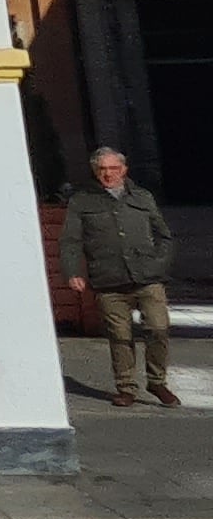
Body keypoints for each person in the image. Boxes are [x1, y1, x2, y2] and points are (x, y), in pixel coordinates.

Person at [63, 146, 179, 407]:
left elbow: (164, 235)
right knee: (120, 336)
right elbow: (71, 241)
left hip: (148, 278)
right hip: (109, 280)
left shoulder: (142, 197)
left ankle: (157, 381)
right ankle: (126, 387)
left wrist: (158, 263)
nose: (108, 174)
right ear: (95, 171)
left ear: (124, 170)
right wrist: (72, 273)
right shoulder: (82, 201)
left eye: (114, 169)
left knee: (158, 329)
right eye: (102, 169)